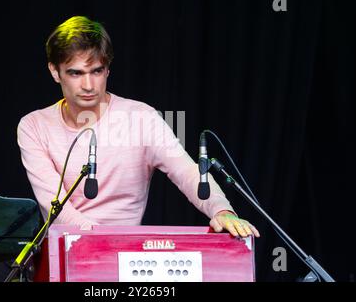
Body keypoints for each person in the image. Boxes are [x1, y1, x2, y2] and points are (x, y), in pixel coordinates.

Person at [17, 16, 260, 238]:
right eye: (76, 73)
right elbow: (55, 206)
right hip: (67, 251)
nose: (89, 85)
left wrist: (221, 209)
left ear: (107, 69)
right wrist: (99, 242)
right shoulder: (34, 126)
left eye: (97, 71)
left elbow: (186, 171)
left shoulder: (142, 117)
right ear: (55, 72)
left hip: (124, 254)